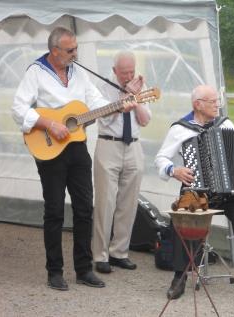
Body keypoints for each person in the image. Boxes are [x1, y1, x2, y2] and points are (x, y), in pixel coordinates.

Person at [11, 27, 136, 291]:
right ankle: (54, 271)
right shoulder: (36, 71)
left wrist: (119, 103)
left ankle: (83, 269)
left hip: (77, 147)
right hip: (49, 148)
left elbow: (97, 101)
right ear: (54, 51)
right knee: (55, 211)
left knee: (83, 209)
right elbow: (18, 109)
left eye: (76, 48)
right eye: (70, 50)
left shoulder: (78, 72)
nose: (75, 53)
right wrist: (48, 124)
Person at [155, 84, 234, 302]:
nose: (218, 105)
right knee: (183, 218)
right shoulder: (180, 129)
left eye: (218, 101)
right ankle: (179, 277)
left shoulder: (225, 124)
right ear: (197, 104)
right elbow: (161, 158)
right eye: (213, 101)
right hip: (196, 191)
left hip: (229, 194)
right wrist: (174, 170)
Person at [92, 51, 151, 274]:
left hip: (133, 145)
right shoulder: (102, 87)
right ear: (114, 70)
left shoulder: (140, 86)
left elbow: (145, 121)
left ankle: (120, 252)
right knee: (106, 202)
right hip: (109, 144)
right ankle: (100, 255)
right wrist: (123, 98)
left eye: (131, 71)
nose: (128, 76)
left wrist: (135, 101)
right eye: (124, 72)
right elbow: (105, 117)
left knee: (129, 201)